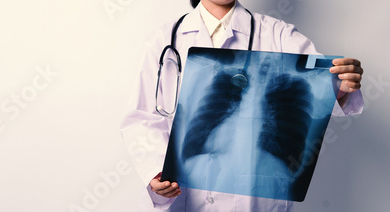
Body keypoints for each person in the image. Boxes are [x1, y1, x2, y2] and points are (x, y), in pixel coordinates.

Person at [119, 0, 364, 211]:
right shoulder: (164, 39)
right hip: (184, 194)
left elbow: (318, 89)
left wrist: (340, 84)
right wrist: (154, 170)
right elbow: (142, 117)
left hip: (254, 198)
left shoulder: (279, 34)